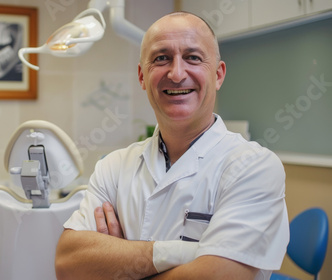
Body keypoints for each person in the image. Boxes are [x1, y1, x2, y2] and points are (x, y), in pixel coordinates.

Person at [55, 11, 289, 280]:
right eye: (161, 58)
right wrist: (186, 253)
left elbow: (220, 276)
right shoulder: (113, 167)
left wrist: (117, 262)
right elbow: (67, 263)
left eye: (193, 57)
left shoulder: (254, 167)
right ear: (142, 77)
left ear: (219, 75)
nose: (177, 74)